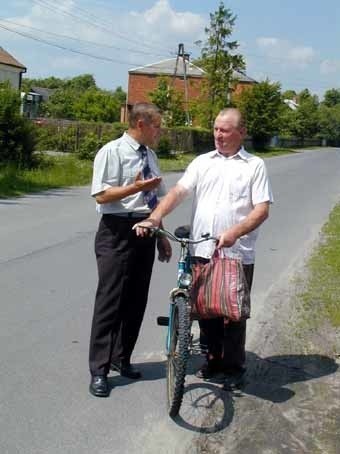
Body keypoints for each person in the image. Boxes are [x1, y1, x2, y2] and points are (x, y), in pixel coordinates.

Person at [134, 107, 273, 388]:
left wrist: (235, 232)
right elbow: (178, 192)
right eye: (215, 129)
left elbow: (261, 210)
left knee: (233, 314)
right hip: (203, 249)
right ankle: (212, 361)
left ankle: (234, 368)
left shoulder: (254, 165)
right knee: (206, 310)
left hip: (236, 252)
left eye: (225, 130)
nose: (218, 135)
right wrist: (155, 217)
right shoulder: (202, 162)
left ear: (241, 132)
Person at [89, 103, 172, 397]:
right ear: (140, 123)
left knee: (136, 299)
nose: (159, 131)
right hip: (116, 230)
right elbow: (101, 195)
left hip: (145, 229)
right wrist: (135, 188)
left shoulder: (151, 155)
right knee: (110, 300)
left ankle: (121, 358)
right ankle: (98, 370)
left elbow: (157, 201)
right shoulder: (112, 151)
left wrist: (161, 235)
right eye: (156, 126)